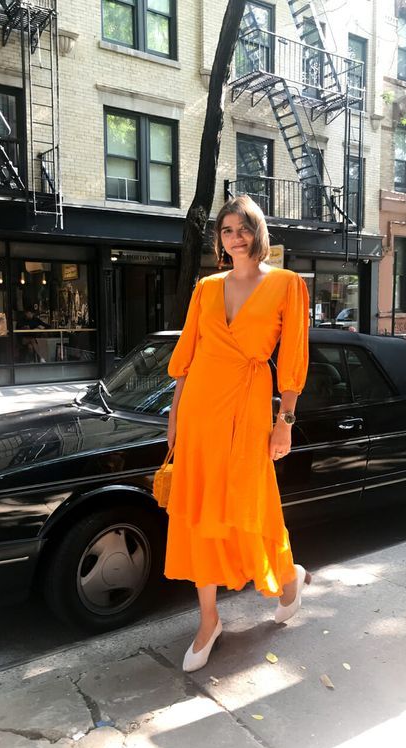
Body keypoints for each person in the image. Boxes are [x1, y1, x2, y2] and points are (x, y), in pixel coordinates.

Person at [164, 195, 310, 673]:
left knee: (253, 503)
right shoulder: (206, 287)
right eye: (226, 230)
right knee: (196, 509)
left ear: (258, 231)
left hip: (248, 406)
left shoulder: (287, 285)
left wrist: (284, 420)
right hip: (201, 409)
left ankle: (287, 578)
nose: (235, 237)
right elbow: (186, 355)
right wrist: (175, 416)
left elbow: (292, 359)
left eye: (243, 227)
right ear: (220, 240)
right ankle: (208, 619)